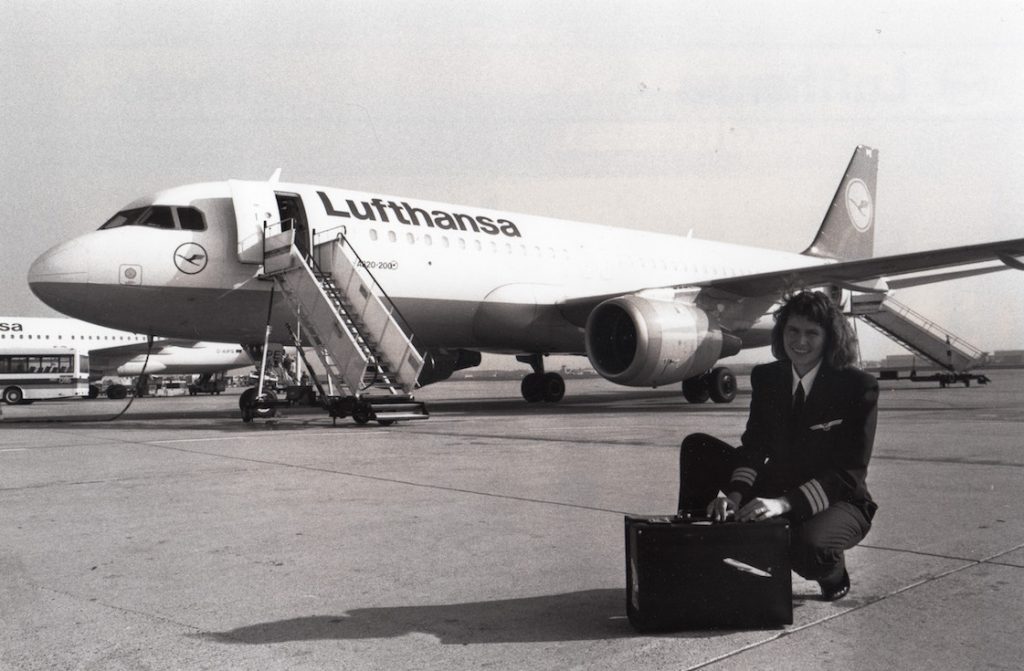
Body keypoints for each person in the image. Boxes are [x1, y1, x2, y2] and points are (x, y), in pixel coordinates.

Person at [677, 290, 879, 601]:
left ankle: (833, 572)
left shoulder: (856, 386)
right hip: (778, 487)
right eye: (792, 330)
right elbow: (755, 447)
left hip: (839, 500)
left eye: (812, 333)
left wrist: (782, 504)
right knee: (698, 448)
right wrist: (734, 496)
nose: (800, 341)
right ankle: (692, 548)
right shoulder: (768, 377)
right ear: (781, 331)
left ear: (830, 338)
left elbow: (848, 474)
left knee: (809, 547)